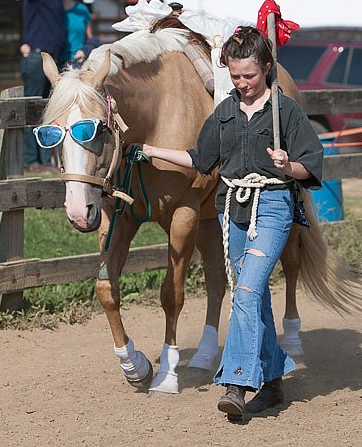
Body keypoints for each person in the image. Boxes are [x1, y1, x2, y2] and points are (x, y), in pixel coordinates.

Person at [135, 26, 324, 418]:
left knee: (248, 292)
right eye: (235, 77)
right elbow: (200, 158)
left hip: (273, 204)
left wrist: (290, 165)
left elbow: (312, 165)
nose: (242, 84)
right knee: (254, 298)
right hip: (233, 210)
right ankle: (273, 383)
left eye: (249, 76)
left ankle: (237, 381)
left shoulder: (284, 111)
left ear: (267, 69)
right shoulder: (224, 113)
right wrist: (152, 149)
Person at [18, 0, 69, 173]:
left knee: (49, 110)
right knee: (32, 109)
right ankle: (31, 161)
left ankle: (46, 161)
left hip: (54, 60)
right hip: (38, 57)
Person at [53, 0, 93, 68]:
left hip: (79, 61)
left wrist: (84, 51)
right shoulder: (51, 10)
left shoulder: (81, 9)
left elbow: (90, 38)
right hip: (57, 62)